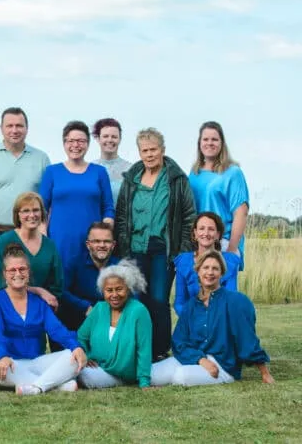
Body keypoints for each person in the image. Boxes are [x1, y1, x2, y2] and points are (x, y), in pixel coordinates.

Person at [115, 128, 196, 360]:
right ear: (139, 152)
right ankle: (139, 349)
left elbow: (189, 215)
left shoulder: (176, 179)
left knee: (159, 299)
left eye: (153, 149)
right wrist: (123, 248)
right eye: (145, 150)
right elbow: (122, 214)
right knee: (137, 299)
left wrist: (182, 251)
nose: (149, 154)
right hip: (135, 248)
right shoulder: (131, 179)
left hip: (164, 249)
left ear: (163, 150)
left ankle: (160, 349)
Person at [151, 251, 274, 387]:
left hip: (222, 365)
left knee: (181, 376)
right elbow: (179, 341)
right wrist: (200, 360)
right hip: (195, 358)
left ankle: (183, 376)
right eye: (206, 268)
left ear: (222, 273)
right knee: (152, 374)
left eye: (215, 268)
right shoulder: (191, 305)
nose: (210, 272)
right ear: (198, 271)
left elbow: (247, 339)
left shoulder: (236, 301)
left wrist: (264, 373)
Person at [0, 244, 87, 395]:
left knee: (73, 357)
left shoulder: (39, 302)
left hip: (36, 362)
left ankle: (35, 387)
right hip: (8, 361)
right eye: (12, 270)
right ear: (5, 274)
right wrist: (3, 355)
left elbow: (57, 330)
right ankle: (56, 384)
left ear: (29, 271)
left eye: (22, 269)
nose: (18, 273)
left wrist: (75, 346)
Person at [0, 107, 50, 291]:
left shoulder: (41, 158)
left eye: (19, 126)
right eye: (10, 126)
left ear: (27, 128)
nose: (14, 130)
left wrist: (43, 230)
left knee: (30, 285)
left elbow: (45, 201)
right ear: (1, 128)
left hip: (29, 233)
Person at [40, 120, 114, 276]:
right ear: (64, 143)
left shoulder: (99, 172)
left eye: (81, 141)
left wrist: (105, 234)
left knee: (91, 284)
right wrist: (43, 239)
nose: (76, 145)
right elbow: (41, 209)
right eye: (71, 141)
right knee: (61, 283)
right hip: (60, 242)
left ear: (88, 144)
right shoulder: (52, 172)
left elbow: (108, 207)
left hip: (93, 244)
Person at [77, 260, 153, 389]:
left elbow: (144, 349)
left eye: (119, 289)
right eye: (109, 290)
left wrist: (144, 382)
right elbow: (81, 337)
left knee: (79, 374)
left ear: (128, 289)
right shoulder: (99, 309)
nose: (114, 295)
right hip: (97, 369)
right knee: (70, 360)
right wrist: (86, 355)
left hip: (124, 375)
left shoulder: (139, 311)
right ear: (103, 291)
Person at [189, 121, 249, 267]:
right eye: (205, 139)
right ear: (199, 143)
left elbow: (241, 213)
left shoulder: (233, 173)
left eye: (214, 139)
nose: (209, 143)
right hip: (199, 243)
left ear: (222, 143)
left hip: (223, 243)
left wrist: (231, 250)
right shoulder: (194, 173)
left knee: (221, 283)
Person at [0, 192, 63, 309]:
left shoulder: (50, 245)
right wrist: (37, 290)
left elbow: (56, 286)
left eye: (36, 210)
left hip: (41, 306)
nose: (32, 215)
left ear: (42, 213)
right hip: (8, 305)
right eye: (26, 211)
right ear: (17, 215)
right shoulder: (4, 241)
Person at [174, 212, 241, 317]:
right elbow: (179, 303)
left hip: (220, 319)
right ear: (195, 233)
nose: (206, 233)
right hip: (192, 319)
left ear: (218, 235)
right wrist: (192, 319)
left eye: (211, 229)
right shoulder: (184, 261)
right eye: (201, 228)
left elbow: (230, 300)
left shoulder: (229, 261)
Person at [57, 222, 119, 333]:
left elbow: (132, 296)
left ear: (113, 245)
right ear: (88, 244)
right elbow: (62, 291)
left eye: (107, 241)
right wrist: (85, 306)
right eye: (97, 241)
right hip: (79, 321)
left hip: (111, 322)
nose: (102, 245)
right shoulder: (74, 263)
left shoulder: (120, 267)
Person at [91, 118, 132, 207]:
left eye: (114, 137)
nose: (110, 140)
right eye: (105, 136)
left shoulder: (130, 170)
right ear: (98, 138)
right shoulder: (89, 169)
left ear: (120, 139)